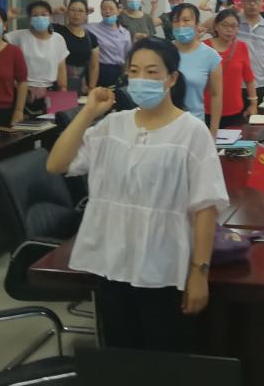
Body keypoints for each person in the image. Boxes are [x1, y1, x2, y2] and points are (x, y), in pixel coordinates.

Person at [45, 38, 228, 351]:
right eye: (134, 71)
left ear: (171, 78)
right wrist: (87, 112)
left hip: (163, 265)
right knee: (121, 352)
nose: (141, 79)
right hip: (112, 260)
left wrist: (200, 272)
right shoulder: (112, 126)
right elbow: (56, 164)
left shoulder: (191, 132)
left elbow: (206, 206)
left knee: (162, 353)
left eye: (152, 72)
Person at [5, 0, 69, 116]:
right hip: (23, 92)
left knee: (55, 125)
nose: (40, 18)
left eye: (44, 14)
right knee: (21, 126)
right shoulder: (19, 36)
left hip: (51, 92)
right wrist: (7, 18)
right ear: (29, 18)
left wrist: (63, 91)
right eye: (35, 15)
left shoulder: (58, 39)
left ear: (50, 17)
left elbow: (61, 67)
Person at [170, 3, 222, 136]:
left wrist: (213, 133)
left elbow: (216, 95)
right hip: (165, 126)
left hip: (194, 127)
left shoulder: (210, 56)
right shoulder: (163, 52)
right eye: (176, 21)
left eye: (186, 20)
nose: (181, 25)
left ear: (197, 24)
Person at [204, 9, 257, 128]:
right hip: (207, 110)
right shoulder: (204, 47)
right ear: (216, 26)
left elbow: (249, 78)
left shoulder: (241, 46)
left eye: (233, 26)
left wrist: (253, 104)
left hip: (235, 111)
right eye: (224, 25)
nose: (229, 30)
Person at [53, 0, 100, 94]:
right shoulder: (57, 31)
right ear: (67, 12)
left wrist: (91, 88)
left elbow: (94, 65)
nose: (76, 14)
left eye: (81, 11)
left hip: (81, 85)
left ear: (86, 15)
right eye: (73, 10)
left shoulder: (91, 38)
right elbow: (36, 26)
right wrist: (53, 11)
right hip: (57, 83)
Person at [87, 0, 131, 87]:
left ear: (118, 11)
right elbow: (75, 26)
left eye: (111, 9)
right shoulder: (91, 28)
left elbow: (128, 56)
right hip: (99, 70)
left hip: (118, 71)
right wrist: (85, 13)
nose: (107, 11)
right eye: (104, 9)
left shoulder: (125, 33)